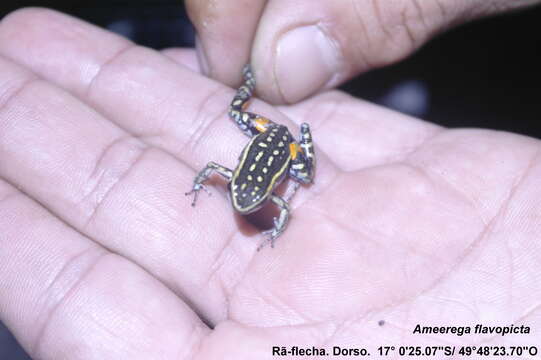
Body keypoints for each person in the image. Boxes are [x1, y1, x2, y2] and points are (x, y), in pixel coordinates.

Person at [0, 3, 539, 358]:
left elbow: (281, 207)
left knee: (303, 172)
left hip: (280, 145)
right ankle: (250, 86)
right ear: (240, 187)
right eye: (242, 194)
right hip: (263, 140)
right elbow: (215, 172)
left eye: (248, 197)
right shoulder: (234, 182)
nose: (244, 200)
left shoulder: (265, 199)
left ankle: (285, 113)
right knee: (240, 111)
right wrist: (202, 185)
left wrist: (276, 221)